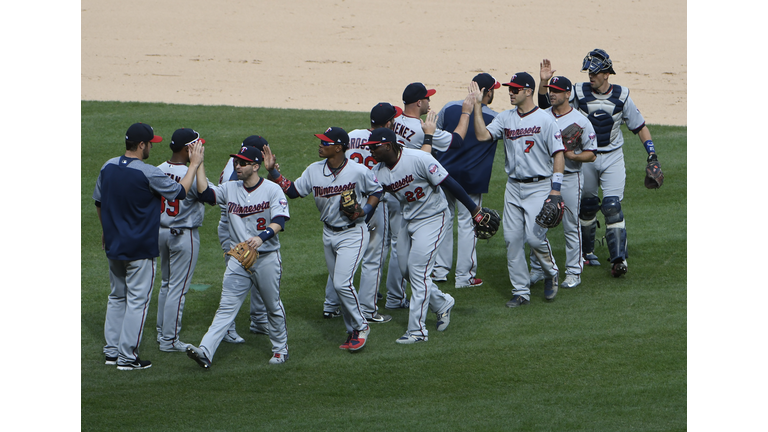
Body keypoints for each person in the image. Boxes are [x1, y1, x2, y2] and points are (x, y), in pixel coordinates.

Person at [538, 50, 660, 277]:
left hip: (612, 156)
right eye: (588, 72)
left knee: (612, 206)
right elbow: (548, 108)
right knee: (587, 205)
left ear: (606, 73)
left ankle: (618, 259)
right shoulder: (577, 91)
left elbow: (640, 126)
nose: (590, 77)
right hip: (587, 157)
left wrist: (651, 154)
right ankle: (587, 253)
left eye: (594, 72)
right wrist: (544, 83)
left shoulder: (622, 96)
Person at [94, 122, 204, 370]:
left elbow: (98, 201)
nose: (151, 148)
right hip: (140, 247)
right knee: (137, 301)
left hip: (114, 244)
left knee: (116, 297)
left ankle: (111, 352)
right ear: (141, 145)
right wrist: (194, 165)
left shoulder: (107, 166)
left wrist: (105, 230)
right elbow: (179, 192)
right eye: (150, 144)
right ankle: (127, 357)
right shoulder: (147, 172)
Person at [363, 127, 487, 344]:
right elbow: (373, 199)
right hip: (408, 219)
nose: (370, 151)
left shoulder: (419, 158)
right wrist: (361, 221)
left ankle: (417, 331)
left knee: (419, 272)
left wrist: (474, 210)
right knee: (406, 271)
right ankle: (441, 303)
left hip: (433, 219)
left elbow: (449, 183)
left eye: (374, 147)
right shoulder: (378, 172)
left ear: (389, 145)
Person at [262, 127, 381, 352]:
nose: (320, 145)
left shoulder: (358, 170)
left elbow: (377, 191)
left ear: (338, 147)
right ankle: (352, 330)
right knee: (340, 286)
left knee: (342, 283)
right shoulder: (314, 170)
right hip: (328, 233)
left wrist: (364, 211)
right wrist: (273, 173)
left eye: (325, 142)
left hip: (353, 232)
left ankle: (362, 325)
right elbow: (295, 191)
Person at [186, 145, 291, 367]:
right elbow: (206, 193)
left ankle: (280, 349)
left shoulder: (272, 190)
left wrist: (261, 238)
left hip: (266, 258)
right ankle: (205, 350)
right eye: (236, 162)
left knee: (272, 305)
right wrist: (200, 163)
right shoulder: (230, 188)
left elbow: (280, 220)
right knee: (226, 307)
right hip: (238, 259)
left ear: (255, 166)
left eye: (243, 163)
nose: (238, 166)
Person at [468, 72, 566, 306]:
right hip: (513, 187)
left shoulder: (545, 120)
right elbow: (482, 135)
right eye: (510, 89)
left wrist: (556, 190)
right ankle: (521, 291)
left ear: (528, 91)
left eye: (515, 89)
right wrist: (478, 106)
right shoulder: (505, 118)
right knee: (512, 240)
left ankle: (550, 272)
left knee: (534, 238)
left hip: (540, 186)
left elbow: (558, 154)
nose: (510, 92)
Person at [322, 103, 404, 323]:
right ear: (388, 124)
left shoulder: (351, 136)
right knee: (372, 257)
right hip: (372, 203)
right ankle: (367, 310)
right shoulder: (385, 143)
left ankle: (331, 305)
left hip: (343, 203)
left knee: (340, 256)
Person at [432, 73, 500, 288]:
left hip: (444, 175)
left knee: (444, 221)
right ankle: (464, 277)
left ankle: (439, 271)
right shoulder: (496, 118)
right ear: (487, 92)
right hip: (471, 179)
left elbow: (438, 138)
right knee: (469, 223)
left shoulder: (450, 108)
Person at [529, 76, 597, 289]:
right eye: (551, 90)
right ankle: (538, 269)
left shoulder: (581, 121)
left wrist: (572, 156)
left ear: (568, 94)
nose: (552, 93)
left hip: (569, 178)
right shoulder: (541, 116)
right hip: (543, 179)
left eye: (557, 91)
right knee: (537, 224)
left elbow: (592, 153)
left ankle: (574, 271)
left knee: (570, 225)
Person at [155, 128, 216, 353]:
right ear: (188, 149)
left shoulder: (157, 170)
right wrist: (198, 164)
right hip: (183, 236)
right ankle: (169, 340)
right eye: (198, 145)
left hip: (160, 233)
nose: (201, 148)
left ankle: (162, 332)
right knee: (178, 289)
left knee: (166, 284)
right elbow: (206, 195)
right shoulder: (191, 173)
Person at [217, 135, 271, 342]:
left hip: (245, 225)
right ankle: (227, 328)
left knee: (258, 271)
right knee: (234, 279)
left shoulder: (239, 163)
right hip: (234, 227)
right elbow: (241, 204)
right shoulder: (238, 171)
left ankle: (258, 320)